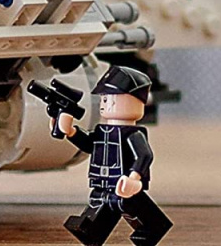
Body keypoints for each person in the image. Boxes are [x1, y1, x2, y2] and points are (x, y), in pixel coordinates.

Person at [52, 64, 173, 246]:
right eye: (104, 99)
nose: (105, 103)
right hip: (103, 183)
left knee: (129, 204)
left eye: (110, 99)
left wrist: (134, 178)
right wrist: (70, 131)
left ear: (136, 102)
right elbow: (89, 144)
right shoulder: (102, 131)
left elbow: (144, 156)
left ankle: (152, 228)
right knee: (98, 205)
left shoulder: (133, 134)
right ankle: (91, 233)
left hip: (124, 184)